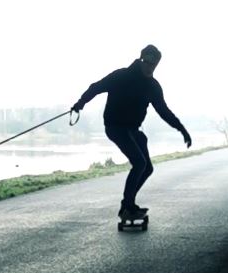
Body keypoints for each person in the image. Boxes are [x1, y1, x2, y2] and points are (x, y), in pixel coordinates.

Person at [71, 44, 191, 219]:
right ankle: (127, 207)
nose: (151, 67)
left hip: (133, 129)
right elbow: (96, 87)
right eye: (148, 62)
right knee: (139, 163)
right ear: (141, 59)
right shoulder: (121, 76)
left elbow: (164, 111)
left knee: (147, 168)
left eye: (155, 64)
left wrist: (182, 130)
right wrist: (80, 103)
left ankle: (128, 206)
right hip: (115, 126)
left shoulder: (153, 86)